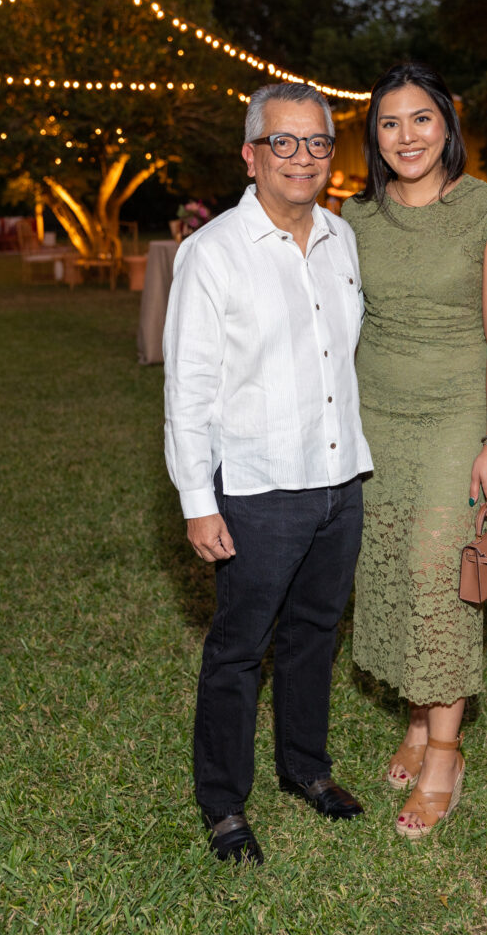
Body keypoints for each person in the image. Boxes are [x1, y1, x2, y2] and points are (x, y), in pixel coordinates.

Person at [163, 82, 373, 866]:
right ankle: (222, 803)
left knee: (315, 633)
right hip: (254, 488)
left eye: (316, 142)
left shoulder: (339, 239)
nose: (302, 157)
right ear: (250, 155)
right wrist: (195, 500)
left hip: (337, 479)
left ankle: (305, 769)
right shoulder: (212, 252)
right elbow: (187, 388)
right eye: (282, 142)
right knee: (238, 649)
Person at [341, 62, 487, 839]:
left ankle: (445, 754)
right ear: (373, 137)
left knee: (437, 572)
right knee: (386, 565)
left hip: (456, 414)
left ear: (446, 126)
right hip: (371, 416)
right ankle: (418, 722)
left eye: (420, 119)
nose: (405, 136)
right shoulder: (354, 218)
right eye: (388, 123)